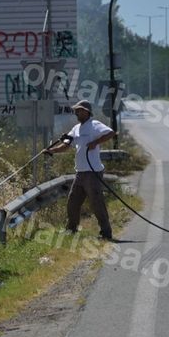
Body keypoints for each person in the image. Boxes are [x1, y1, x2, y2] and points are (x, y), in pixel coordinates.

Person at [44, 100, 116, 240]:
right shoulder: (76, 128)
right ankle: (71, 230)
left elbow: (111, 133)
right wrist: (51, 150)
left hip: (93, 172)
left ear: (87, 112)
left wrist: (95, 142)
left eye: (79, 110)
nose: (77, 113)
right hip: (80, 173)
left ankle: (106, 233)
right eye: (76, 110)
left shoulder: (94, 125)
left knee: (97, 203)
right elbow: (66, 145)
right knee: (73, 202)